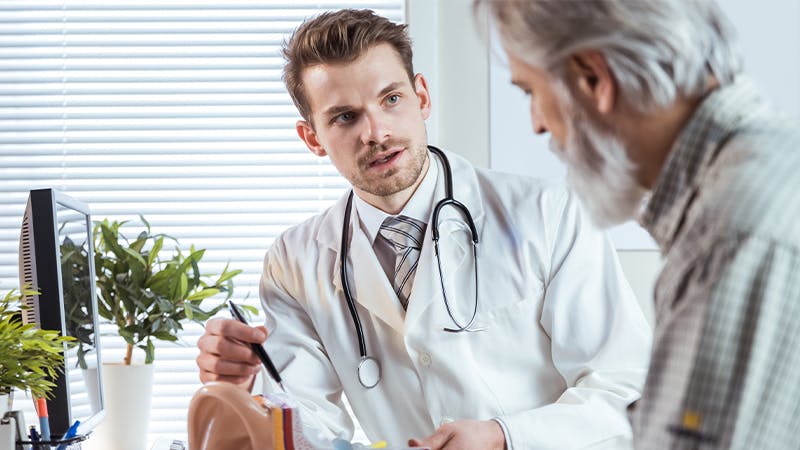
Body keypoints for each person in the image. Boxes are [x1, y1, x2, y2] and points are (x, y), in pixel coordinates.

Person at [196, 9, 651, 450]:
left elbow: (624, 391)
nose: (376, 132)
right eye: (344, 117)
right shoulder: (294, 262)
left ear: (423, 97)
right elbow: (306, 428)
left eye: (391, 99)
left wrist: (504, 438)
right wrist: (248, 384)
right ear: (312, 138)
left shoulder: (547, 213)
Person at [475, 0, 800, 448]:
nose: (536, 125)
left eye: (531, 91)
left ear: (594, 79)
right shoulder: (757, 174)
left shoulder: (733, 232)